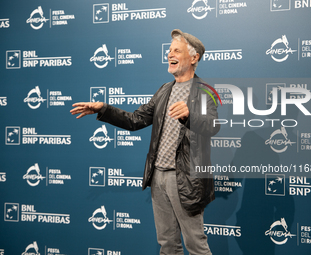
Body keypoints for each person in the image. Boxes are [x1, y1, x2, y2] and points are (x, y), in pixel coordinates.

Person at [70, 29, 220, 255]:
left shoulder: (205, 92)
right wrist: (105, 110)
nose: (170, 54)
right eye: (169, 50)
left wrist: (190, 116)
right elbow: (135, 120)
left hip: (186, 179)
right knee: (167, 244)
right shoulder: (164, 90)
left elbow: (212, 126)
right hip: (158, 177)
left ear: (194, 57)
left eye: (176, 50)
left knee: (196, 244)